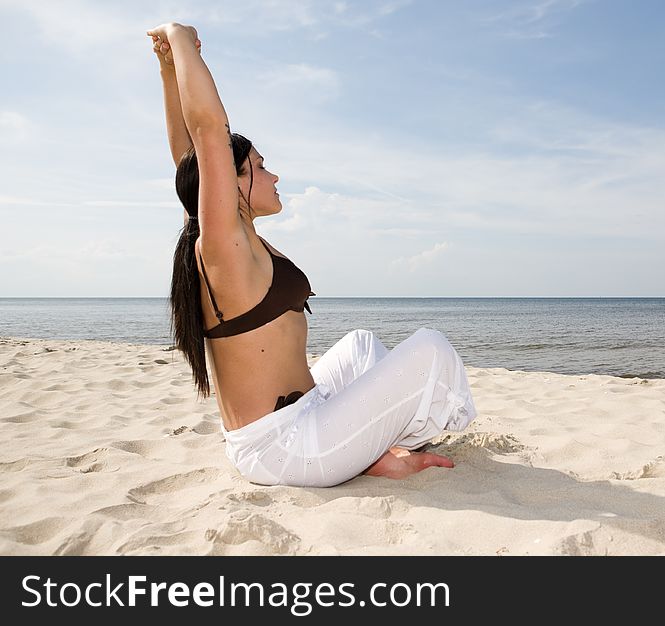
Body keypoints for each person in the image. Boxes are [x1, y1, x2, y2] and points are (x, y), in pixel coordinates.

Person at [147, 22, 477, 488]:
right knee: (431, 349)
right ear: (231, 181)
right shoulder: (222, 245)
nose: (274, 175)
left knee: (362, 344)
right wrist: (180, 39)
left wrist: (166, 71)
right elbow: (206, 133)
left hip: (298, 420)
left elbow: (188, 159)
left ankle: (369, 448)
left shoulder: (228, 239)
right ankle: (377, 450)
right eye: (259, 167)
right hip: (285, 447)